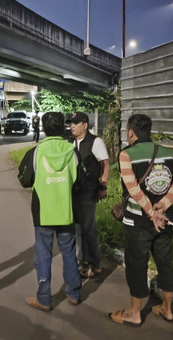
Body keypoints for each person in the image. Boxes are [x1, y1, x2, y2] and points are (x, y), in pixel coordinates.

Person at [109, 114, 173, 326]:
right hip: (165, 220)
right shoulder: (169, 154)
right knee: (165, 263)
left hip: (138, 221)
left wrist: (151, 212)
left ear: (131, 132)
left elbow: (133, 188)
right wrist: (163, 206)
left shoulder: (126, 155)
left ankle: (134, 313)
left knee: (136, 264)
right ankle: (168, 310)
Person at [18, 112, 81, 311]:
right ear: (63, 127)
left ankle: (44, 299)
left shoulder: (36, 152)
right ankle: (74, 293)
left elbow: (25, 180)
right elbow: (79, 182)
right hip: (66, 211)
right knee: (69, 252)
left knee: (43, 255)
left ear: (43, 129)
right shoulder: (72, 151)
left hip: (43, 213)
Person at [67, 112, 110, 279]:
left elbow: (105, 164)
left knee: (88, 229)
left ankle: (94, 264)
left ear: (85, 124)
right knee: (76, 228)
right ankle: (81, 261)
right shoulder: (69, 142)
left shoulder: (95, 142)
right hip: (72, 192)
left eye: (76, 123)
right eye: (71, 123)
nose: (72, 126)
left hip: (88, 192)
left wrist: (104, 185)